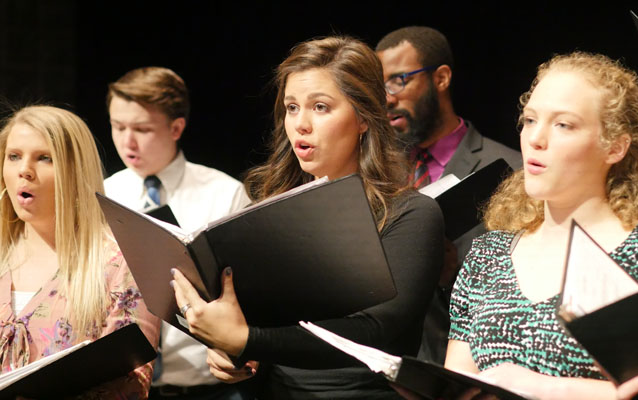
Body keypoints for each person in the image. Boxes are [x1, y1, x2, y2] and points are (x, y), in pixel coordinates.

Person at [171, 36, 444, 399]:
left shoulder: (411, 214)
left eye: (320, 107)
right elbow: (259, 324)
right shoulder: (267, 213)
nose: (300, 124)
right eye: (292, 107)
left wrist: (247, 339)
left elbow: (375, 328)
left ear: (363, 117)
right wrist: (233, 353)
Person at [444, 52, 638, 399]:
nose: (536, 138)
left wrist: (542, 388)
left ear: (615, 147)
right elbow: (457, 383)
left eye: (563, 124)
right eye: (531, 119)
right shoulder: (487, 257)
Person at [375, 25, 522, 365]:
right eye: (379, 85)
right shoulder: (375, 173)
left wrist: (450, 277)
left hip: (468, 367)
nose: (387, 97)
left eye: (399, 80)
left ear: (441, 78)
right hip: (381, 372)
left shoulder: (509, 171)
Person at [103, 66, 251, 399]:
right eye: (118, 126)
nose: (127, 141)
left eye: (142, 129)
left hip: (209, 386)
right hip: (124, 384)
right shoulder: (103, 194)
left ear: (176, 127)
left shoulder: (224, 194)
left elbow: (250, 295)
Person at [0, 105, 160, 398]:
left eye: (44, 158)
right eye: (14, 156)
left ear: (75, 170)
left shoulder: (120, 263)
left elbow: (130, 383)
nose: (24, 170)